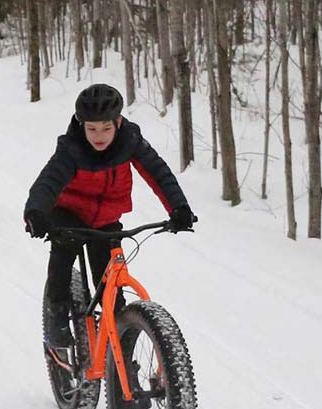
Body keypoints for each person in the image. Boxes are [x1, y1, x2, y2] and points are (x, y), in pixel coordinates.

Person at [22, 83, 197, 353]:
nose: (98, 136)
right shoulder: (71, 149)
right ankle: (56, 315)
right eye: (91, 128)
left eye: (105, 128)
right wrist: (36, 213)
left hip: (106, 219)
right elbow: (49, 182)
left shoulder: (130, 141)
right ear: (82, 126)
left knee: (109, 286)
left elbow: (158, 172)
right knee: (62, 255)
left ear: (118, 122)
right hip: (69, 213)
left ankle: (121, 341)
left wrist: (179, 209)